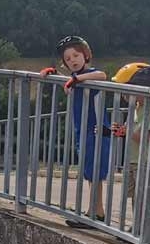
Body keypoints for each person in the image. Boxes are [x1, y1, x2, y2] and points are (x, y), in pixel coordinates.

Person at [40, 36, 110, 222]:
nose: (73, 60)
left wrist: (77, 79)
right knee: (89, 172)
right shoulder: (75, 78)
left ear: (86, 55)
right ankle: (97, 212)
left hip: (96, 130)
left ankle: (94, 214)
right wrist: (54, 73)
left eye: (76, 55)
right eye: (68, 59)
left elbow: (102, 75)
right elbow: (70, 82)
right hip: (83, 130)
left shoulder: (91, 75)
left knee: (94, 171)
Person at [110, 62, 150, 215]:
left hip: (143, 161)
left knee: (141, 196)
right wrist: (117, 131)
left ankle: (142, 228)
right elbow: (129, 133)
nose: (124, 94)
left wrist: (128, 131)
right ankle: (136, 226)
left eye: (127, 88)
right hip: (131, 160)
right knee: (133, 196)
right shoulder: (136, 108)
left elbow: (149, 138)